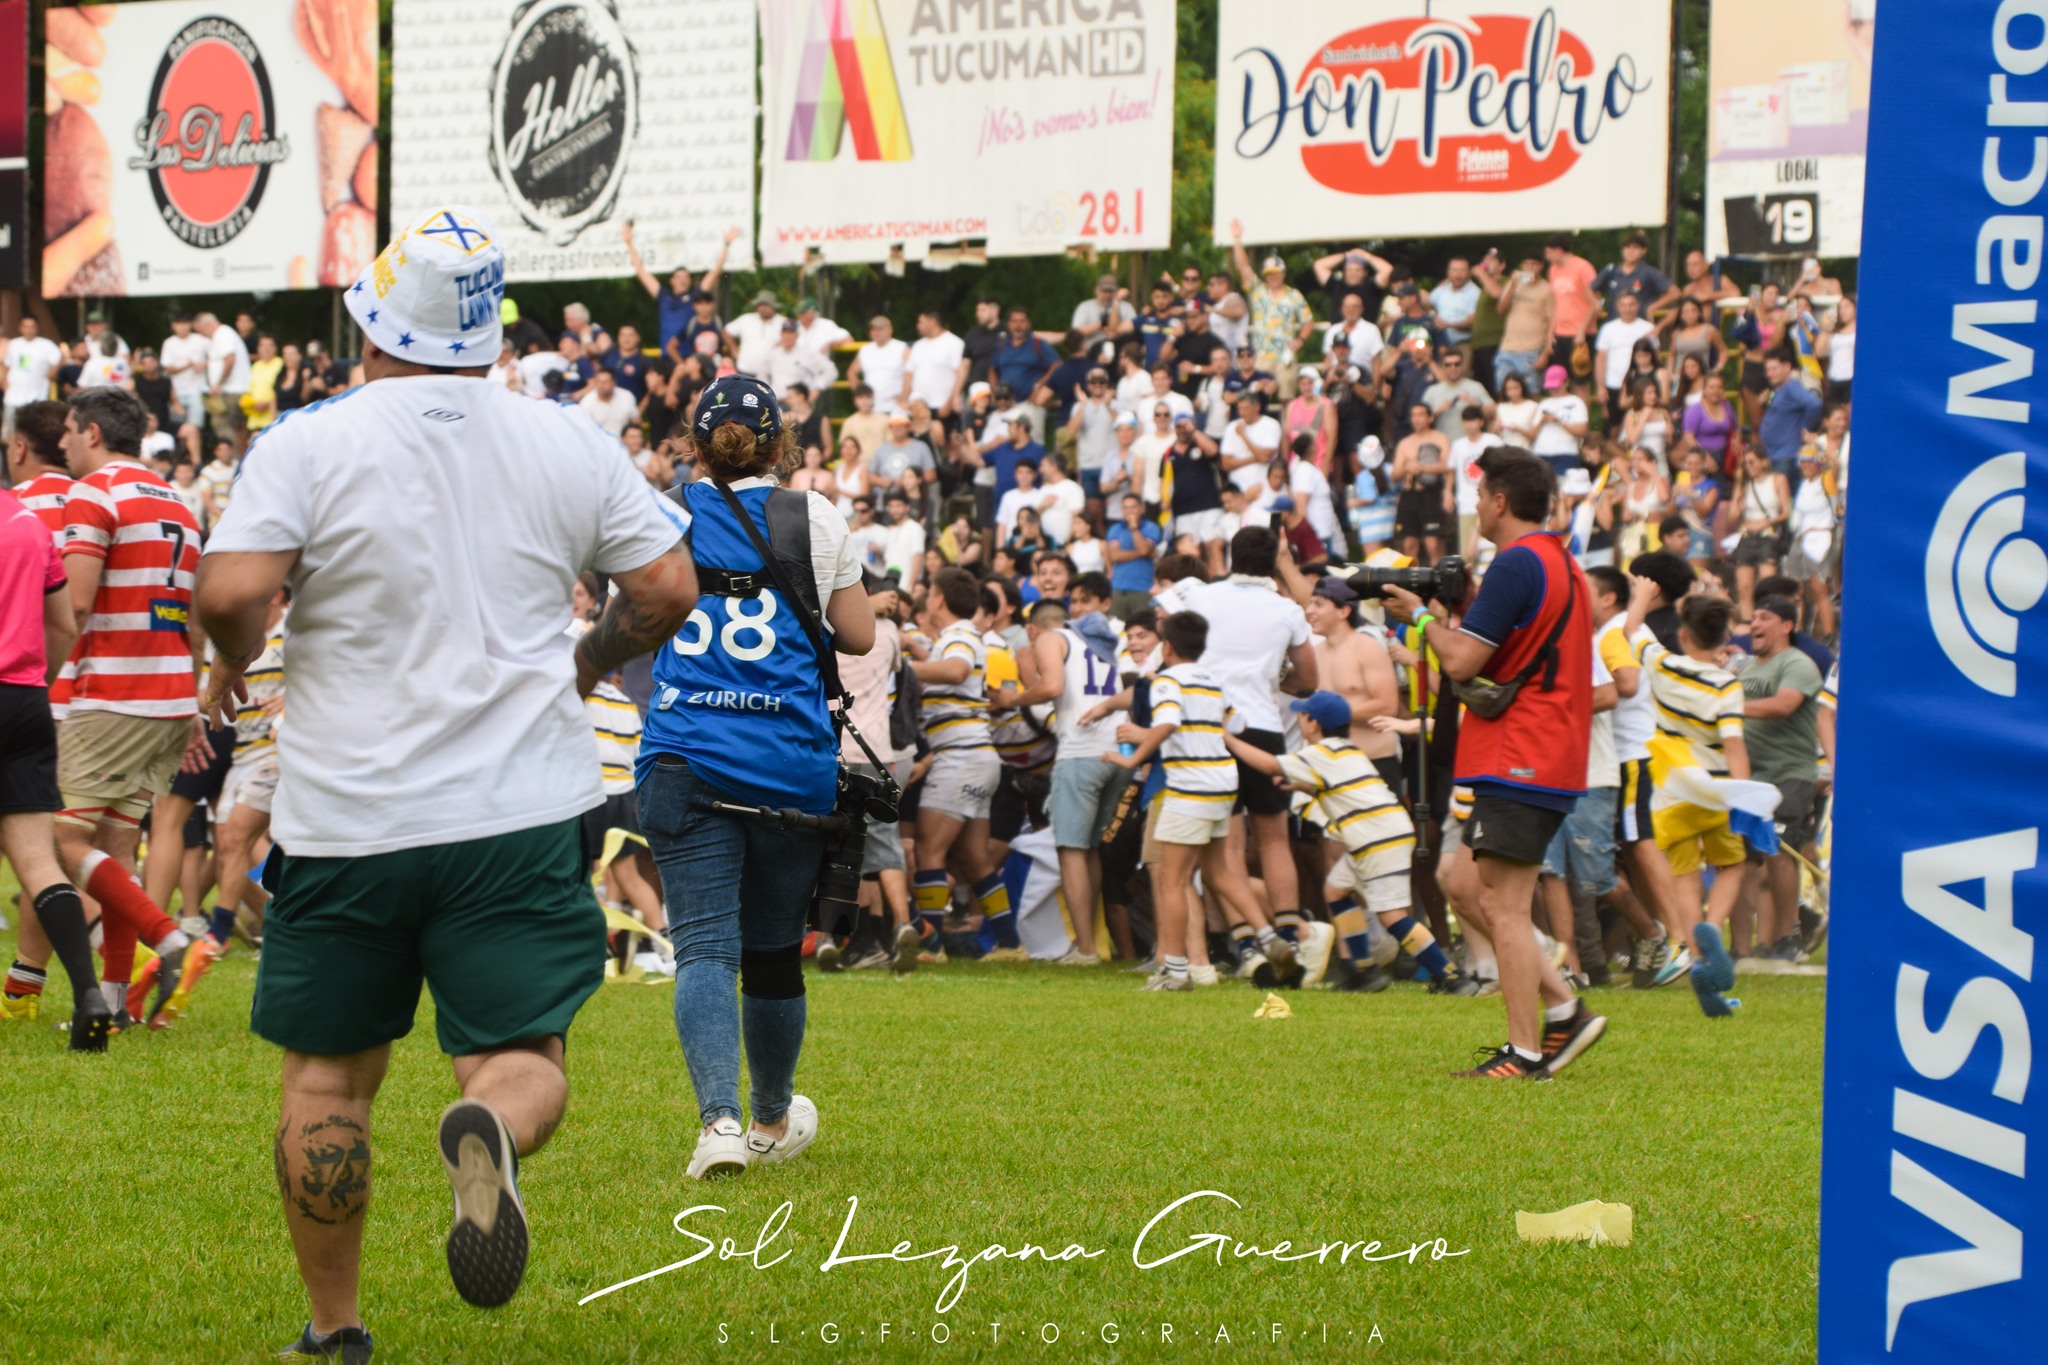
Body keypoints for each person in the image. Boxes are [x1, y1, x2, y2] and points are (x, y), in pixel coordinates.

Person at [195, 208, 700, 1351]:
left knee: (328, 1084)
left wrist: (231, 663)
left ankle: (335, 1331)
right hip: (517, 811)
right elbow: (667, 585)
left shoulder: (310, 440)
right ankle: (490, 1130)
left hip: (347, 816)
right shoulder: (565, 438)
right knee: (518, 1057)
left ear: (373, 322)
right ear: (491, 333)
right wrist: (589, 660)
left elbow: (229, 593)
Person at [1380, 448, 1604, 1079]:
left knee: (1504, 906)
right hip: (1543, 750)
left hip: (1522, 752)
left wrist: (1417, 616)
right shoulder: (1560, 560)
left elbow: (1459, 662)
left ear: (1500, 501)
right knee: (1463, 887)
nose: (1474, 507)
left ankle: (1525, 1052)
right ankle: (1565, 1011)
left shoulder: (1516, 562)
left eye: (1479, 496)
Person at [56, 388, 210, 1031]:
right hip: (169, 695)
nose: (62, 442)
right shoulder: (179, 502)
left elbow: (76, 605)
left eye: (68, 429)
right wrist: (193, 701)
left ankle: (169, 937)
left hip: (114, 693)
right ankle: (116, 1002)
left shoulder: (94, 492)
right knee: (117, 846)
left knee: (58, 839)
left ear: (92, 432)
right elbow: (193, 621)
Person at [1107, 611, 1295, 990]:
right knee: (1220, 872)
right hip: (1222, 783)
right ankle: (1270, 937)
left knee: (1171, 880)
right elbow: (1236, 724)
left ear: (1167, 647)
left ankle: (1176, 972)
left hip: (1188, 785)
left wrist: (1132, 757)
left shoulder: (1166, 681)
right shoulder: (1211, 680)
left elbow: (1168, 722)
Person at [0, 466, 107, 1046]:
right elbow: (64, 624)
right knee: (40, 863)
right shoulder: (28, 522)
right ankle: (89, 995)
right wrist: (34, 683)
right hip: (25, 701)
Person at [1180, 528, 1319, 957]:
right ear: (1274, 561)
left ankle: (1246, 943)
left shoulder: (1200, 596)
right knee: (1275, 840)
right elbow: (1309, 680)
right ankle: (1289, 936)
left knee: (1228, 843)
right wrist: (1275, 680)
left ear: (1231, 557)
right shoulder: (1287, 610)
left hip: (1209, 727)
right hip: (1262, 727)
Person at [1620, 585, 1751, 1016]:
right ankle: (1712, 928)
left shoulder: (1662, 664)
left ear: (1682, 635)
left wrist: (1642, 595)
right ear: (1723, 637)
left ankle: (1697, 958)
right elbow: (1734, 746)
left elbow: (1631, 629)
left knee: (1685, 876)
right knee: (1732, 866)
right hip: (1715, 792)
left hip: (1672, 795)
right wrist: (1744, 794)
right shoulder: (1728, 685)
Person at [910, 567, 1016, 957]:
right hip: (976, 755)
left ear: (939, 598)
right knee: (974, 859)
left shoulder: (959, 635)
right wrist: (911, 646)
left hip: (960, 755)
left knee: (928, 848)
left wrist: (899, 665)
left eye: (930, 593)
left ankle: (932, 944)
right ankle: (1010, 943)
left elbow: (955, 671)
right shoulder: (959, 637)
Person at [1737, 596, 1824, 961]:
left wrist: (1728, 707)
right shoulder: (1744, 667)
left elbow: (1785, 704)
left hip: (1790, 773)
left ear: (1787, 626)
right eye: (1754, 617)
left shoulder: (1797, 664)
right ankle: (1744, 947)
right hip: (1748, 776)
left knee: (1779, 850)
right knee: (1743, 861)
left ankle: (1788, 937)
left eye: (1765, 617)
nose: (1755, 623)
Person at [622, 220, 736, 356]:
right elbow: (641, 271)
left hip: (691, 359)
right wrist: (629, 242)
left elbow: (715, 272)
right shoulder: (663, 297)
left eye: (686, 277)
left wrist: (726, 245)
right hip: (667, 357)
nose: (683, 280)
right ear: (672, 281)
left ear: (690, 281)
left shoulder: (695, 297)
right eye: (679, 277)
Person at [1494, 251, 1555, 393]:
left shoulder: (1547, 289)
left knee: (1531, 392)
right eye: (1526, 264)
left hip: (1532, 350)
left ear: (1541, 266)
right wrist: (1512, 284)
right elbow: (1501, 309)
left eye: (1534, 264)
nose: (1530, 268)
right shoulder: (1514, 284)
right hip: (1507, 348)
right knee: (1503, 392)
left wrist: (1546, 353)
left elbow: (1552, 322)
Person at [1757, 351, 1822, 483]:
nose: (1769, 374)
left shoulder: (1791, 387)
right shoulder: (1778, 388)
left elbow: (1814, 404)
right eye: (1768, 370)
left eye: (1774, 369)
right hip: (1776, 454)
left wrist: (1805, 427)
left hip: (1786, 456)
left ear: (1787, 367)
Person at [196, 311, 251, 456]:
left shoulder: (223, 334)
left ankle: (237, 459)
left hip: (233, 391)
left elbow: (230, 359)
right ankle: (234, 459)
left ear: (208, 324)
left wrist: (219, 383)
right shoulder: (222, 335)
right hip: (228, 391)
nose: (202, 335)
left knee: (234, 428)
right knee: (228, 426)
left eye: (201, 331)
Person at [1594, 293, 1656, 417]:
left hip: (1642, 385)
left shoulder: (1648, 328)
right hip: (1613, 384)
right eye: (1624, 305)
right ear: (1618, 306)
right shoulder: (1607, 329)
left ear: (1638, 305)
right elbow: (1600, 359)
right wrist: (1600, 387)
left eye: (1631, 304)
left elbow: (1656, 357)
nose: (1628, 308)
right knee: (1613, 425)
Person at [4, 317, 64, 439]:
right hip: (13, 396)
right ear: (20, 328)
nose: (29, 330)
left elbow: (61, 357)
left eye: (32, 327)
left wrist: (52, 372)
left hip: (37, 396)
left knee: (34, 432)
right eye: (26, 327)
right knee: (10, 431)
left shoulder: (46, 345)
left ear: (36, 328)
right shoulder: (13, 344)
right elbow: (6, 364)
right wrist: (4, 380)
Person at [1531, 365, 1588, 477]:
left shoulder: (1576, 402)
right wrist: (1542, 421)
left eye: (1556, 386)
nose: (1553, 389)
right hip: (1541, 452)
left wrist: (1558, 421)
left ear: (1566, 382)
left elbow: (1581, 431)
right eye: (1551, 387)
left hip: (1566, 453)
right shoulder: (1543, 404)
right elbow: (1532, 434)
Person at [726, 290, 786, 379]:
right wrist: (734, 349)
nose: (763, 308)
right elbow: (726, 332)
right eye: (760, 305)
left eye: (766, 305)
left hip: (771, 375)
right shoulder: (746, 319)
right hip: (744, 372)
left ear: (773, 306)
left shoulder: (783, 322)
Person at [578, 366, 639, 438]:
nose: (601, 385)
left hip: (624, 442)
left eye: (605, 382)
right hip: (599, 442)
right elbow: (584, 430)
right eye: (599, 382)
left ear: (614, 382)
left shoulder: (627, 397)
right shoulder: (586, 402)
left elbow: (636, 421)